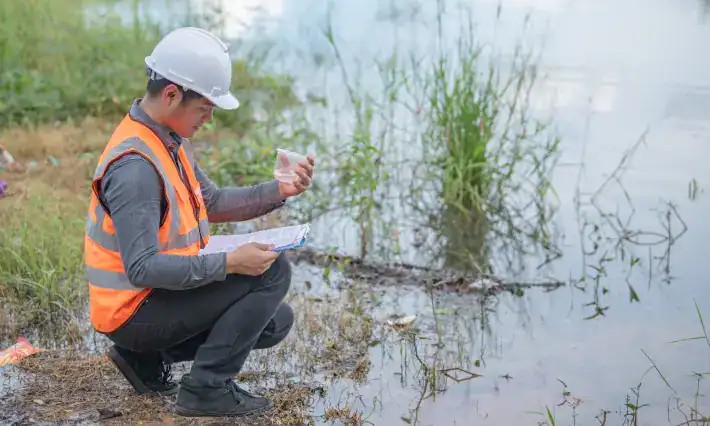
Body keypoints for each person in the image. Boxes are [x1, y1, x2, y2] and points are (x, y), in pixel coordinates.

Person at [83, 26, 315, 418]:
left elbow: (212, 202)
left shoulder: (166, 139)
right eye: (205, 108)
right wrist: (230, 263)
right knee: (273, 272)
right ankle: (205, 389)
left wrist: (280, 190)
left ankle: (143, 359)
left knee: (275, 321)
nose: (209, 119)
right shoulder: (135, 168)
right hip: (132, 312)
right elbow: (141, 268)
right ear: (172, 93)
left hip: (152, 301)